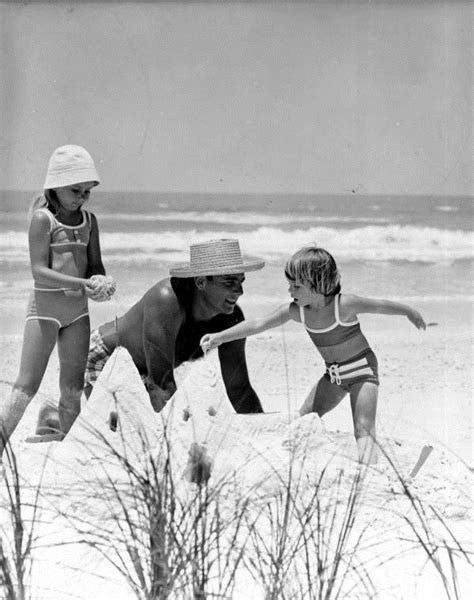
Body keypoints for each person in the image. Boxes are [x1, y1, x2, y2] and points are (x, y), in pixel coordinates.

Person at [201, 245, 427, 465]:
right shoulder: (297, 311)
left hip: (362, 372)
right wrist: (220, 336)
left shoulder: (344, 305)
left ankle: (371, 472)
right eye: (290, 285)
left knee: (363, 429)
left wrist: (410, 312)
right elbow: (259, 324)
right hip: (333, 377)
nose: (290, 291)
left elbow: (380, 306)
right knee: (304, 420)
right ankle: (298, 463)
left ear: (318, 283)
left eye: (296, 286)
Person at [34, 238, 265, 436]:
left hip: (148, 373)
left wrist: (260, 430)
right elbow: (161, 385)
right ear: (201, 281)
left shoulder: (231, 320)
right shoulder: (167, 300)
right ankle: (54, 417)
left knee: (143, 429)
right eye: (229, 283)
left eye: (241, 281)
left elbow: (239, 388)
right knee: (117, 436)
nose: (239, 291)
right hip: (105, 359)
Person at [0, 145, 115, 457]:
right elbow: (39, 273)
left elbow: (95, 266)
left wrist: (101, 281)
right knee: (26, 385)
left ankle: (66, 446)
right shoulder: (42, 220)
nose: (81, 198)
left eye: (87, 192)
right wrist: (83, 284)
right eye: (76, 190)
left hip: (77, 313)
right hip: (45, 312)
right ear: (56, 186)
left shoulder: (90, 221)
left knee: (72, 385)